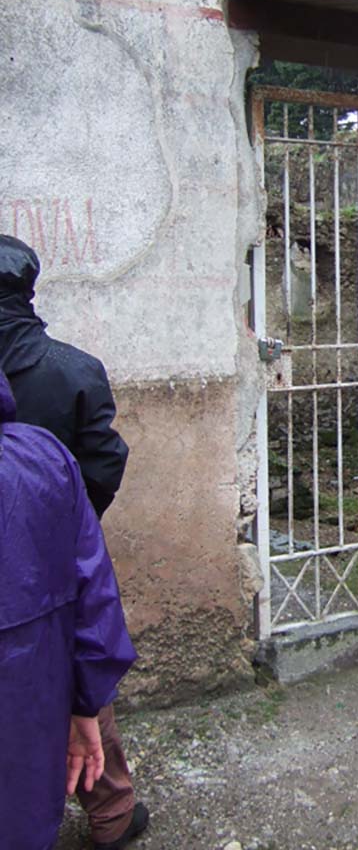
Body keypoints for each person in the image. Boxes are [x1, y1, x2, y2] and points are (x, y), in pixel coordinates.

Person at [0, 234, 148, 849]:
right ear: (28, 289)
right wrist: (69, 521)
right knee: (79, 682)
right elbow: (104, 458)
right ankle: (111, 813)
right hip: (54, 561)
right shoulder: (74, 369)